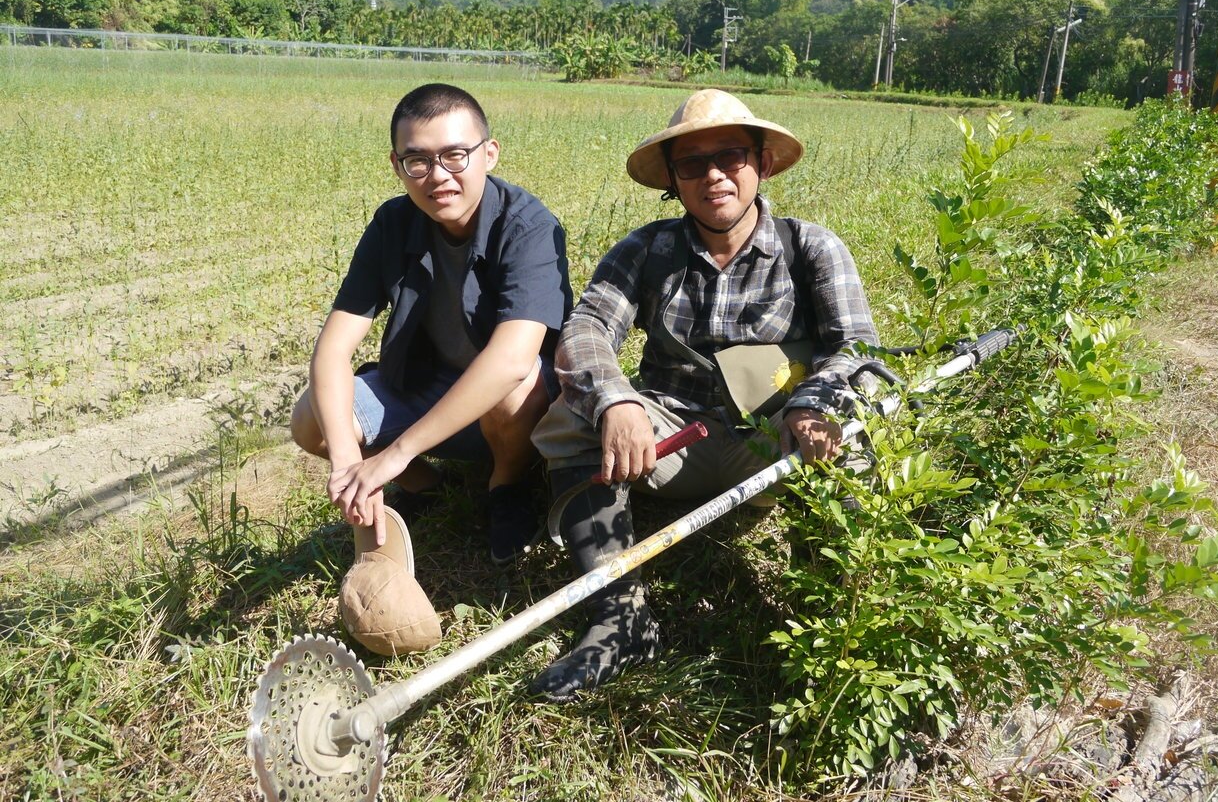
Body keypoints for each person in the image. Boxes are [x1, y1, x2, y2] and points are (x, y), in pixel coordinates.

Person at [529, 88, 880, 701]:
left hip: (773, 443)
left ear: (763, 163)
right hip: (671, 434)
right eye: (692, 164)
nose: (713, 175)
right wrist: (617, 400)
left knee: (852, 440)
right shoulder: (645, 250)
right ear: (672, 179)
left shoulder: (812, 247)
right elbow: (586, 328)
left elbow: (857, 350)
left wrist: (816, 402)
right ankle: (621, 616)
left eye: (731, 156)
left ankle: (827, 620)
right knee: (568, 420)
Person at [290, 82, 572, 570]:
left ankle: (506, 485)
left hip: (512, 406)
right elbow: (333, 350)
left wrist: (395, 453)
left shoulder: (528, 226)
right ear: (397, 166)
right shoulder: (393, 223)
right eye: (418, 161)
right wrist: (346, 461)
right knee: (311, 417)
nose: (438, 177)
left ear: (490, 153)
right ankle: (428, 487)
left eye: (455, 156)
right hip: (426, 383)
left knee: (516, 385)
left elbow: (510, 361)